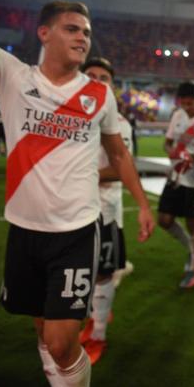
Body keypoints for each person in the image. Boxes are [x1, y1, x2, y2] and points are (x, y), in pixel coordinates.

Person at [0, 0, 154, 387]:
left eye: (86, 32)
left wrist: (143, 203)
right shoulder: (12, 76)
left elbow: (118, 153)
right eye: (72, 29)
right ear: (44, 33)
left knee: (62, 343)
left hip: (76, 232)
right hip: (24, 230)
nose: (82, 37)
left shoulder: (99, 94)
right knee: (44, 333)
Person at [76, 57, 132, 364]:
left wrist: (80, 173)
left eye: (104, 78)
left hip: (105, 212)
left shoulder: (120, 124)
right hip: (72, 211)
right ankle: (96, 316)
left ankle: (98, 335)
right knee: (80, 273)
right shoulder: (71, 118)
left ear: (111, 87)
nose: (97, 82)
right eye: (91, 76)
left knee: (103, 274)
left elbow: (121, 168)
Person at [158, 81, 194, 288]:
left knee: (193, 223)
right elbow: (167, 143)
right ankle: (191, 251)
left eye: (190, 103)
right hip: (176, 176)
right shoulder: (177, 115)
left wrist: (189, 156)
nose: (186, 107)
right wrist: (172, 152)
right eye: (183, 103)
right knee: (164, 220)